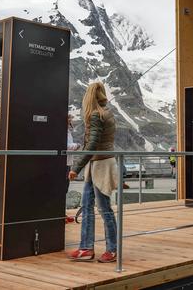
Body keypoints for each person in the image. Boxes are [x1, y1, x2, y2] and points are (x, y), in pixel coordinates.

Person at [67, 82, 118, 263]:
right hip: (97, 163)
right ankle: (86, 247)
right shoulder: (107, 112)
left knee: (103, 209)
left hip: (99, 165)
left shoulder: (96, 115)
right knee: (88, 205)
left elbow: (92, 145)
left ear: (88, 97)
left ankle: (111, 249)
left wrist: (75, 168)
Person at [66, 114, 81, 192]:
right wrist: (76, 145)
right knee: (65, 184)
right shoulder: (63, 131)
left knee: (66, 184)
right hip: (65, 162)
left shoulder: (68, 131)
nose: (70, 121)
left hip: (68, 162)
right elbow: (66, 146)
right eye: (69, 119)